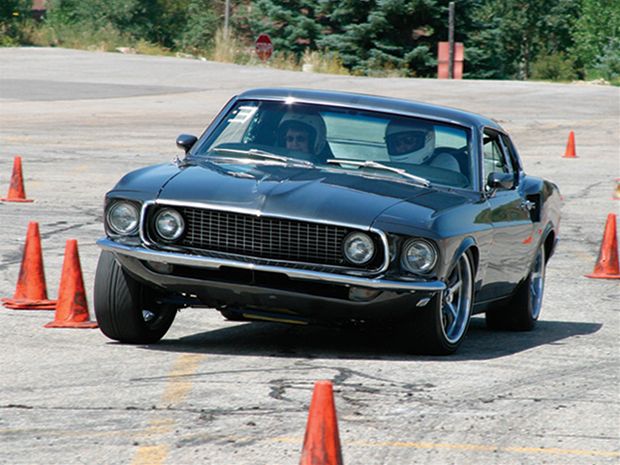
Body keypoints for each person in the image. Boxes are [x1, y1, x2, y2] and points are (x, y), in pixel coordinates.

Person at [385, 119, 460, 172]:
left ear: (428, 138)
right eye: (395, 142)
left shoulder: (444, 162)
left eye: (408, 140)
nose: (401, 147)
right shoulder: (383, 170)